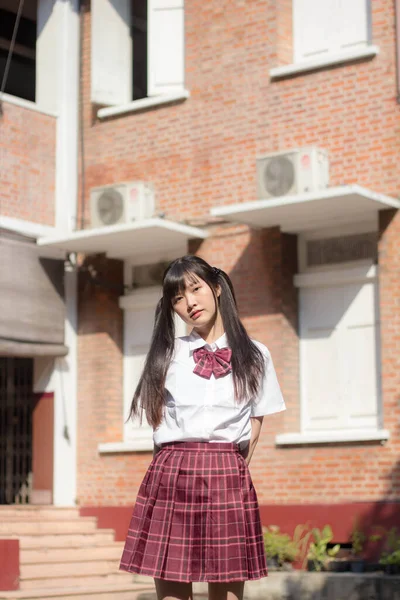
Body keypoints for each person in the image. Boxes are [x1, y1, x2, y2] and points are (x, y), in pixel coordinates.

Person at [120, 255, 286, 600]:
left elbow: (256, 424)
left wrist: (232, 471)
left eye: (195, 289)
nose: (189, 303)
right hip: (172, 471)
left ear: (216, 287)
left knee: (226, 596)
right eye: (178, 298)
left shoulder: (257, 355)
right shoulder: (166, 353)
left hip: (227, 471)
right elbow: (157, 420)